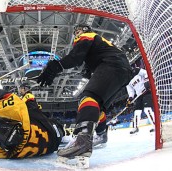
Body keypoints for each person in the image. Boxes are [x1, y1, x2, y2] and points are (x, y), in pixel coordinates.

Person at [37, 23, 132, 159]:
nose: (76, 33)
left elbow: (75, 57)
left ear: (85, 30)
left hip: (112, 65)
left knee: (88, 98)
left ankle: (83, 142)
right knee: (98, 107)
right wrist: (89, 68)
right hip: (123, 71)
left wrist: (56, 66)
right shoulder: (98, 41)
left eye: (78, 30)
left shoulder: (87, 36)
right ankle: (101, 135)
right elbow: (89, 60)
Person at [126, 67, 155, 134]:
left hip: (146, 92)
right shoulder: (127, 81)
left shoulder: (136, 70)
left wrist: (147, 81)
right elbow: (131, 91)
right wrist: (130, 98)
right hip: (139, 95)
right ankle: (135, 128)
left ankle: (155, 125)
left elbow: (146, 73)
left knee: (147, 110)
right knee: (136, 112)